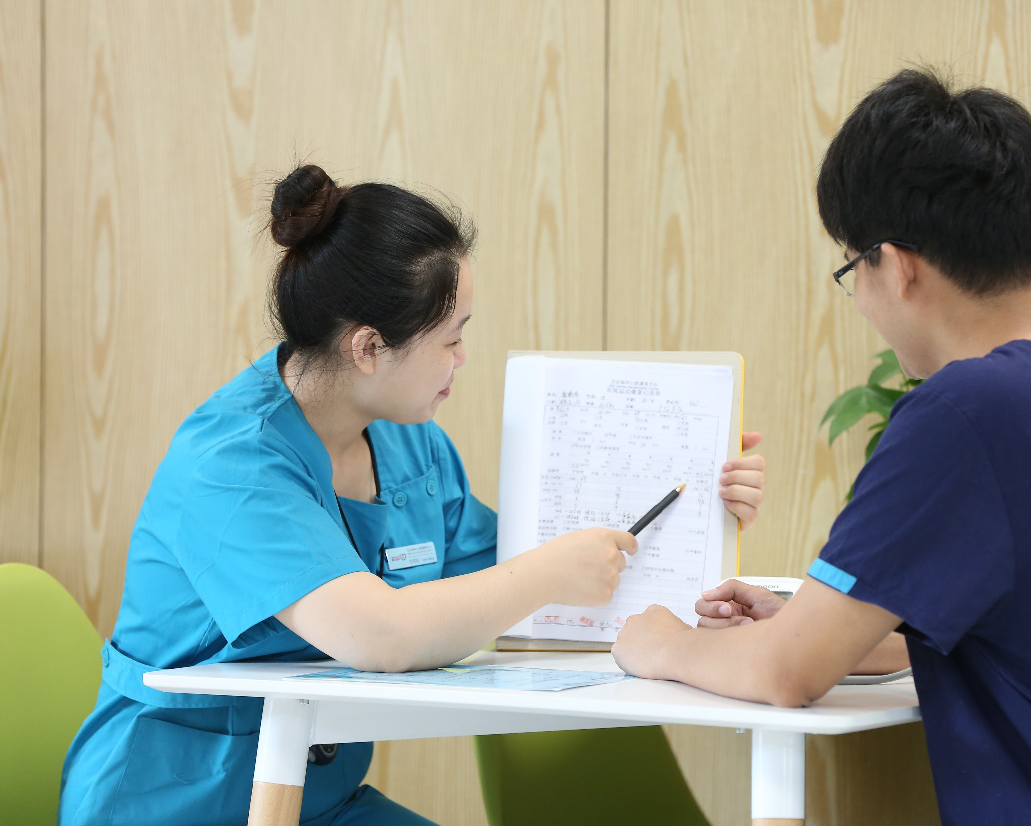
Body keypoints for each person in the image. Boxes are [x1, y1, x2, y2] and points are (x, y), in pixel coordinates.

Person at [613, 67, 1031, 825]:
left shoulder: (965, 411)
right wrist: (816, 625)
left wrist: (660, 643)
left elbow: (787, 673)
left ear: (897, 265)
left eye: (852, 270)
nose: (860, 301)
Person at [58, 164, 767, 826]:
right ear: (369, 347)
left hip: (317, 799)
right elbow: (382, 634)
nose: (463, 359)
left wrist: (701, 501)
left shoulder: (410, 443)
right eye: (451, 340)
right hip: (174, 800)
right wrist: (549, 571)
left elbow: (518, 584)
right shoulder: (230, 464)